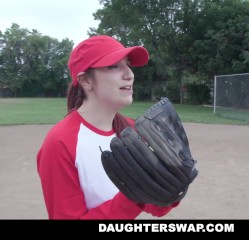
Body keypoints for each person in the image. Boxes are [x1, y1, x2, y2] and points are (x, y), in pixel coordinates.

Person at [37, 35, 179, 219]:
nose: (129, 74)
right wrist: (133, 197)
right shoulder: (60, 142)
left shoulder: (131, 129)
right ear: (86, 81)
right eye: (114, 66)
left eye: (127, 64)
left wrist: (171, 191)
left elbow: (154, 206)